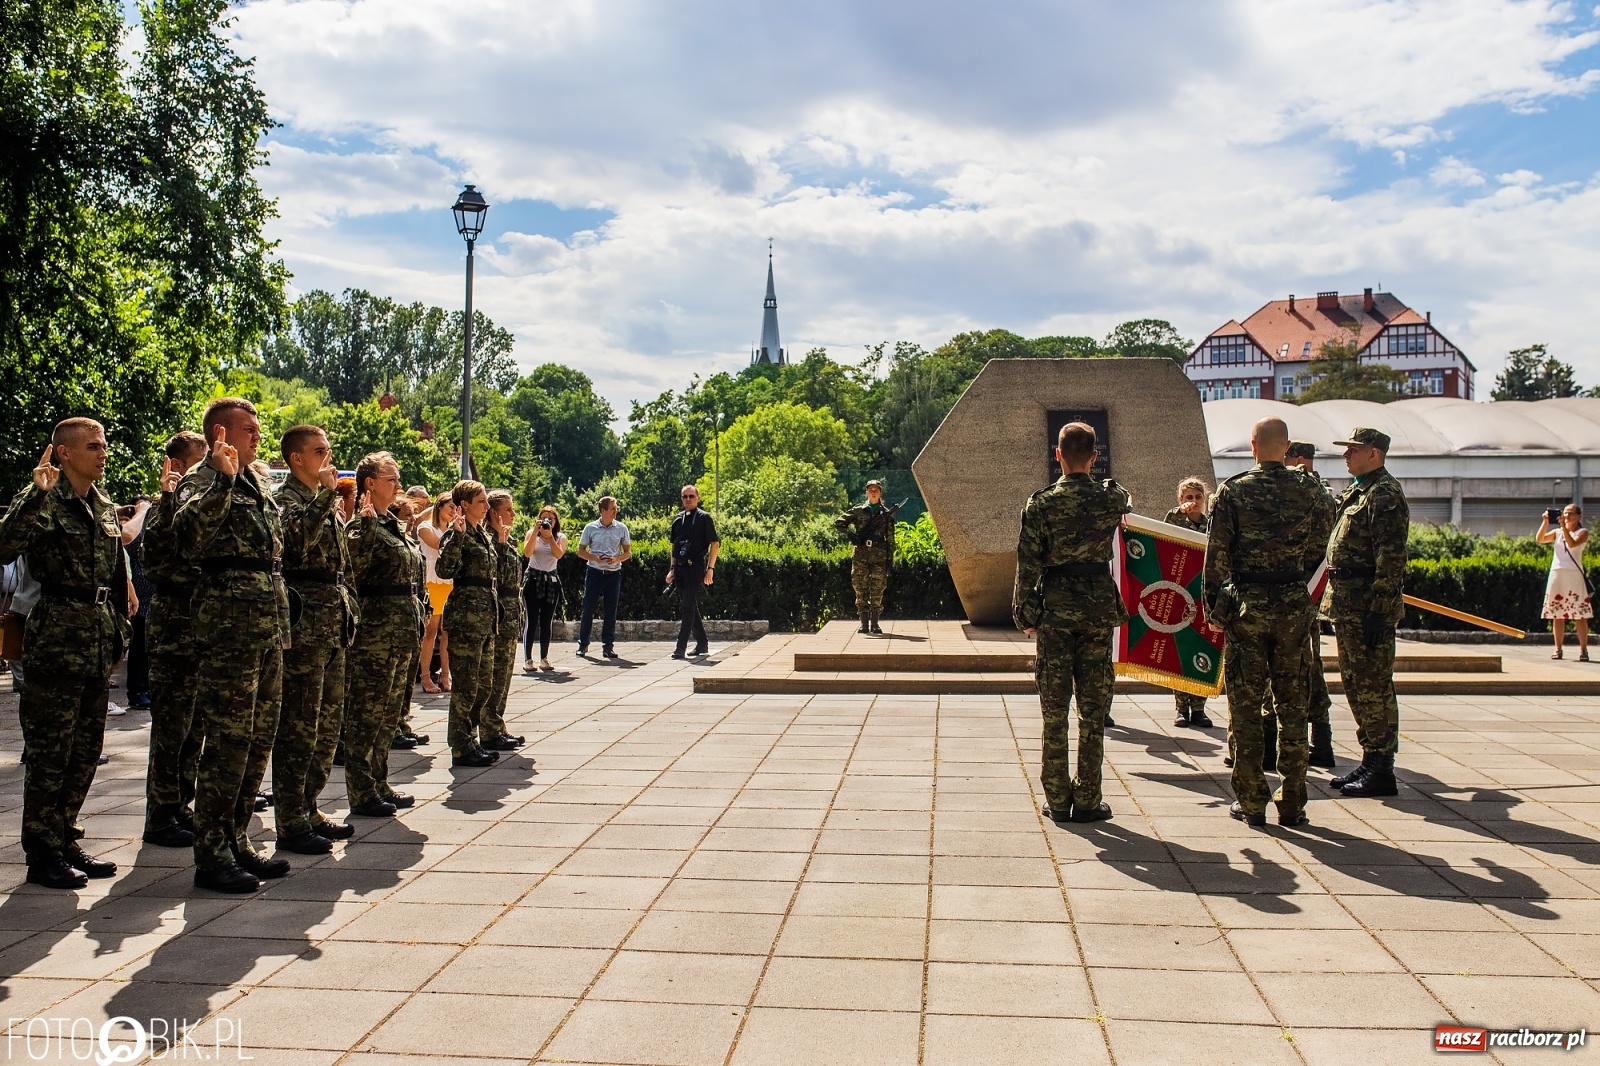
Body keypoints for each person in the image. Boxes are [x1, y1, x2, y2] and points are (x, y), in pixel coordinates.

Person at [0, 419, 130, 889]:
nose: (103, 453)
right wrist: (34, 495)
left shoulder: (103, 504)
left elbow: (113, 572)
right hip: (56, 637)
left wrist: (120, 629)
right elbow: (5, 545)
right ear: (64, 453)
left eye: (104, 445)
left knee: (85, 750)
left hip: (96, 635)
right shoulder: (44, 498)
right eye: (93, 446)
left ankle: (64, 836)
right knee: (50, 753)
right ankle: (41, 853)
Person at [173, 398, 291, 893]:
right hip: (228, 629)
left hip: (266, 625)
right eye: (249, 430)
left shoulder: (256, 482)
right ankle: (212, 854)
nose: (257, 437)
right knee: (227, 742)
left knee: (258, 739)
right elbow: (188, 538)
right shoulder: (202, 480)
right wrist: (221, 481)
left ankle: (237, 839)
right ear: (220, 433)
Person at [1203, 418, 1335, 828]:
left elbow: (1216, 556)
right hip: (1293, 606)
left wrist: (1214, 611)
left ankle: (1251, 801)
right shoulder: (1312, 490)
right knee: (1292, 705)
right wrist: (1300, 587)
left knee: (1245, 708)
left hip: (1248, 606)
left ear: (1253, 445)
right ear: (1288, 447)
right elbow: (1323, 549)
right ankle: (1293, 801)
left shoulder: (1234, 491)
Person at [1013, 421, 1129, 825]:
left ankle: (1058, 799)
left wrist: (1025, 614)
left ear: (1057, 455)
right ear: (1094, 457)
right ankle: (1089, 798)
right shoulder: (1111, 499)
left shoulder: (1041, 504)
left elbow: (1027, 565)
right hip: (1096, 611)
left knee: (1054, 710)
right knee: (1093, 712)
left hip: (1056, 612)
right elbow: (1123, 496)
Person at [271, 426, 357, 853]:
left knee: (326, 725)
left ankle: (309, 807)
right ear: (297, 459)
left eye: (329, 449)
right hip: (304, 625)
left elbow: (341, 565)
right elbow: (293, 546)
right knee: (299, 725)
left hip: (331, 624)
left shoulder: (323, 501)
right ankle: (290, 820)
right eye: (319, 450)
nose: (329, 457)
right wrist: (326, 498)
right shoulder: (285, 499)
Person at [1326, 427, 1410, 799]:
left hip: (1367, 607)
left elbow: (1391, 558)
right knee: (1356, 684)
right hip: (1348, 604)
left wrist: (1379, 609)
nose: (1346, 455)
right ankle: (1370, 758)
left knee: (1374, 685)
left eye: (1353, 450)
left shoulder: (1384, 494)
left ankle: (1382, 768)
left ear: (1373, 453)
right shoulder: (1360, 491)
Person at [342, 452, 424, 817]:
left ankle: (379, 781)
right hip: (375, 635)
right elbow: (353, 571)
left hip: (400, 631)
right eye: (391, 479)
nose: (397, 485)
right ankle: (361, 791)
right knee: (367, 715)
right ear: (370, 483)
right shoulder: (361, 526)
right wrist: (368, 527)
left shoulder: (391, 523)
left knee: (390, 715)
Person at [139, 431, 208, 847]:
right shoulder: (163, 507)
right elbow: (153, 558)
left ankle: (181, 805)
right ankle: (161, 816)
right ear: (178, 465)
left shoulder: (201, 503)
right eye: (200, 458)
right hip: (174, 624)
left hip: (201, 621)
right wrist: (167, 500)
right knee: (172, 728)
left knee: (194, 728)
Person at [436, 480, 501, 767]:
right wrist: (458, 537)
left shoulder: (482, 534)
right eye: (481, 501)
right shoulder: (456, 534)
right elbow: (444, 569)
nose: (487, 506)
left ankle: (470, 739)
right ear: (464, 504)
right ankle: (461, 746)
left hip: (485, 618)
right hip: (466, 618)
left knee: (484, 686)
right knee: (466, 686)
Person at [1285, 440, 1337, 768]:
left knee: (1305, 666)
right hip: (1307, 592)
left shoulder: (1309, 492)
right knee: (1310, 665)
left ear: (1300, 460)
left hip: (1299, 590)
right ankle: (1320, 739)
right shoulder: (1325, 492)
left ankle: (1315, 740)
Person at [1163, 477, 1213, 729]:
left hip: (1203, 594)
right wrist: (1179, 512)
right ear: (1180, 499)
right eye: (1188, 497)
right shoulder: (1175, 520)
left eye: (1198, 497)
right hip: (1180, 593)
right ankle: (1182, 708)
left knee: (1202, 647)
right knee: (1181, 650)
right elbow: (1163, 537)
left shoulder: (1211, 524)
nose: (1193, 502)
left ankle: (1199, 708)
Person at [482, 490, 526, 750]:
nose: (513, 514)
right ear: (494, 512)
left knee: (504, 675)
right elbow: (491, 573)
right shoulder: (489, 540)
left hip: (510, 614)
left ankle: (497, 725)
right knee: (494, 675)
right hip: (498, 614)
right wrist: (499, 541)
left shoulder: (507, 539)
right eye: (508, 509)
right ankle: (488, 729)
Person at [835, 481, 895, 634]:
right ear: (866, 493)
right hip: (861, 555)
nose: (873, 492)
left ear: (880, 493)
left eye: (876, 490)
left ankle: (875, 623)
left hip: (879, 556)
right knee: (860, 588)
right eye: (870, 490)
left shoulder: (886, 514)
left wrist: (889, 559)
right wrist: (850, 535)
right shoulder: (858, 511)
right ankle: (863, 623)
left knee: (877, 589)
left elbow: (890, 539)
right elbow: (839, 523)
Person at [575, 496, 631, 659]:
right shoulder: (590, 528)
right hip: (594, 572)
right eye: (613, 508)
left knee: (610, 611)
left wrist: (617, 559)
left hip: (613, 574)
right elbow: (580, 551)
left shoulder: (622, 528)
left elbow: (628, 552)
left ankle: (608, 646)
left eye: (616, 508)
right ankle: (583, 645)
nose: (616, 511)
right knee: (588, 608)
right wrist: (594, 557)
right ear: (603, 510)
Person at [667, 485, 719, 659]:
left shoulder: (704, 518)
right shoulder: (677, 520)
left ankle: (680, 647)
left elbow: (715, 544)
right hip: (680, 568)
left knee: (687, 606)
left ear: (698, 498)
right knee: (689, 606)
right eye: (685, 497)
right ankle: (702, 643)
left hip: (695, 567)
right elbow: (674, 547)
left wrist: (710, 569)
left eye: (691, 496)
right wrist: (672, 569)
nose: (688, 499)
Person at [1539, 503, 1591, 660]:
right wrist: (1545, 522)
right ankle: (1558, 648)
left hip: (1574, 574)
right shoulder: (1557, 532)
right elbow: (1540, 539)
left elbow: (1572, 543)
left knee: (1580, 614)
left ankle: (1583, 650)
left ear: (1578, 516)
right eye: (1565, 512)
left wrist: (1563, 527)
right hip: (1557, 572)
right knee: (1557, 613)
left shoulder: (1583, 532)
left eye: (1571, 513)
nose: (1567, 516)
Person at [417, 492, 456, 694]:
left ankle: (445, 675)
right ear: (439, 506)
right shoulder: (426, 527)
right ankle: (424, 676)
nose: (453, 511)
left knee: (447, 631)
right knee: (430, 631)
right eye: (450, 507)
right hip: (431, 582)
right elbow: (440, 545)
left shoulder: (453, 530)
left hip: (448, 583)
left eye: (456, 508)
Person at [521, 505, 566, 671]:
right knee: (531, 620)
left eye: (550, 519)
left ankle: (544, 658)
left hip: (550, 581)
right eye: (543, 518)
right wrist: (536, 531)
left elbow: (558, 554)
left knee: (547, 621)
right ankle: (528, 659)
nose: (547, 521)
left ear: (555, 521)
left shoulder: (560, 537)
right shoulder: (531, 534)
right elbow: (527, 553)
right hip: (533, 579)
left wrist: (550, 537)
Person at [119, 497, 154, 710]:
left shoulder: (150, 529)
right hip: (138, 599)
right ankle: (137, 691)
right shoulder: (132, 530)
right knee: (139, 649)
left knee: (149, 649)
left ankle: (147, 689)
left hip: (151, 599)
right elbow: (126, 556)